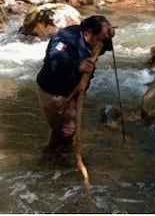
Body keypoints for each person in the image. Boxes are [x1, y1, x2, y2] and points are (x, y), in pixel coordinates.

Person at [35, 15, 116, 154]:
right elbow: (54, 61)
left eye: (102, 40)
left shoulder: (94, 40)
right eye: (98, 39)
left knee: (62, 130)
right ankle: (57, 158)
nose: (99, 44)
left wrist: (109, 36)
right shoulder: (63, 39)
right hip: (53, 92)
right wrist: (77, 66)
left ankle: (53, 155)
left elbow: (104, 47)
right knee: (68, 130)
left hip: (71, 90)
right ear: (88, 32)